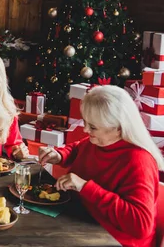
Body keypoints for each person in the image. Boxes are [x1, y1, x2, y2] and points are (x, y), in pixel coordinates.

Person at [39, 85, 164, 247]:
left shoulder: (139, 161)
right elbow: (77, 148)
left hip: (116, 240)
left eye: (93, 127)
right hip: (85, 224)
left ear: (119, 128)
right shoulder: (99, 142)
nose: (85, 129)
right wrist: (59, 155)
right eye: (85, 122)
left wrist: (86, 187)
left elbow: (141, 226)